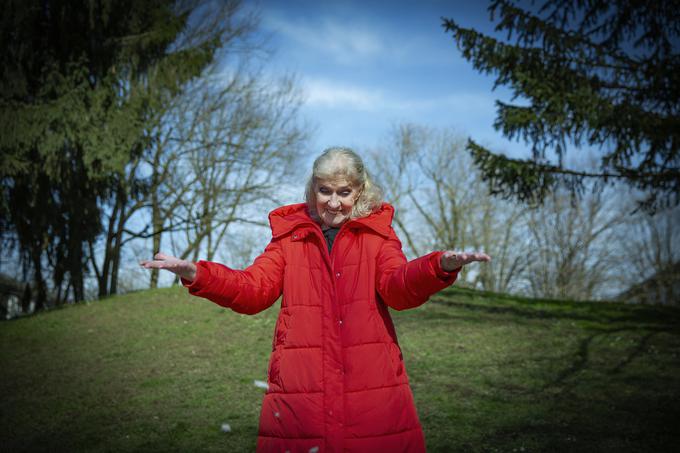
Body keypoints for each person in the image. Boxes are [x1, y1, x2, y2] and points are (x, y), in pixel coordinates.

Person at [140, 147, 490, 452]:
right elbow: (252, 290)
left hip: (372, 395)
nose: (333, 202)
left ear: (359, 192)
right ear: (313, 189)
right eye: (324, 191)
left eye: (343, 192)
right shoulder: (289, 238)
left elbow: (399, 287)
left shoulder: (377, 236)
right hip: (300, 394)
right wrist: (197, 274)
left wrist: (438, 266)